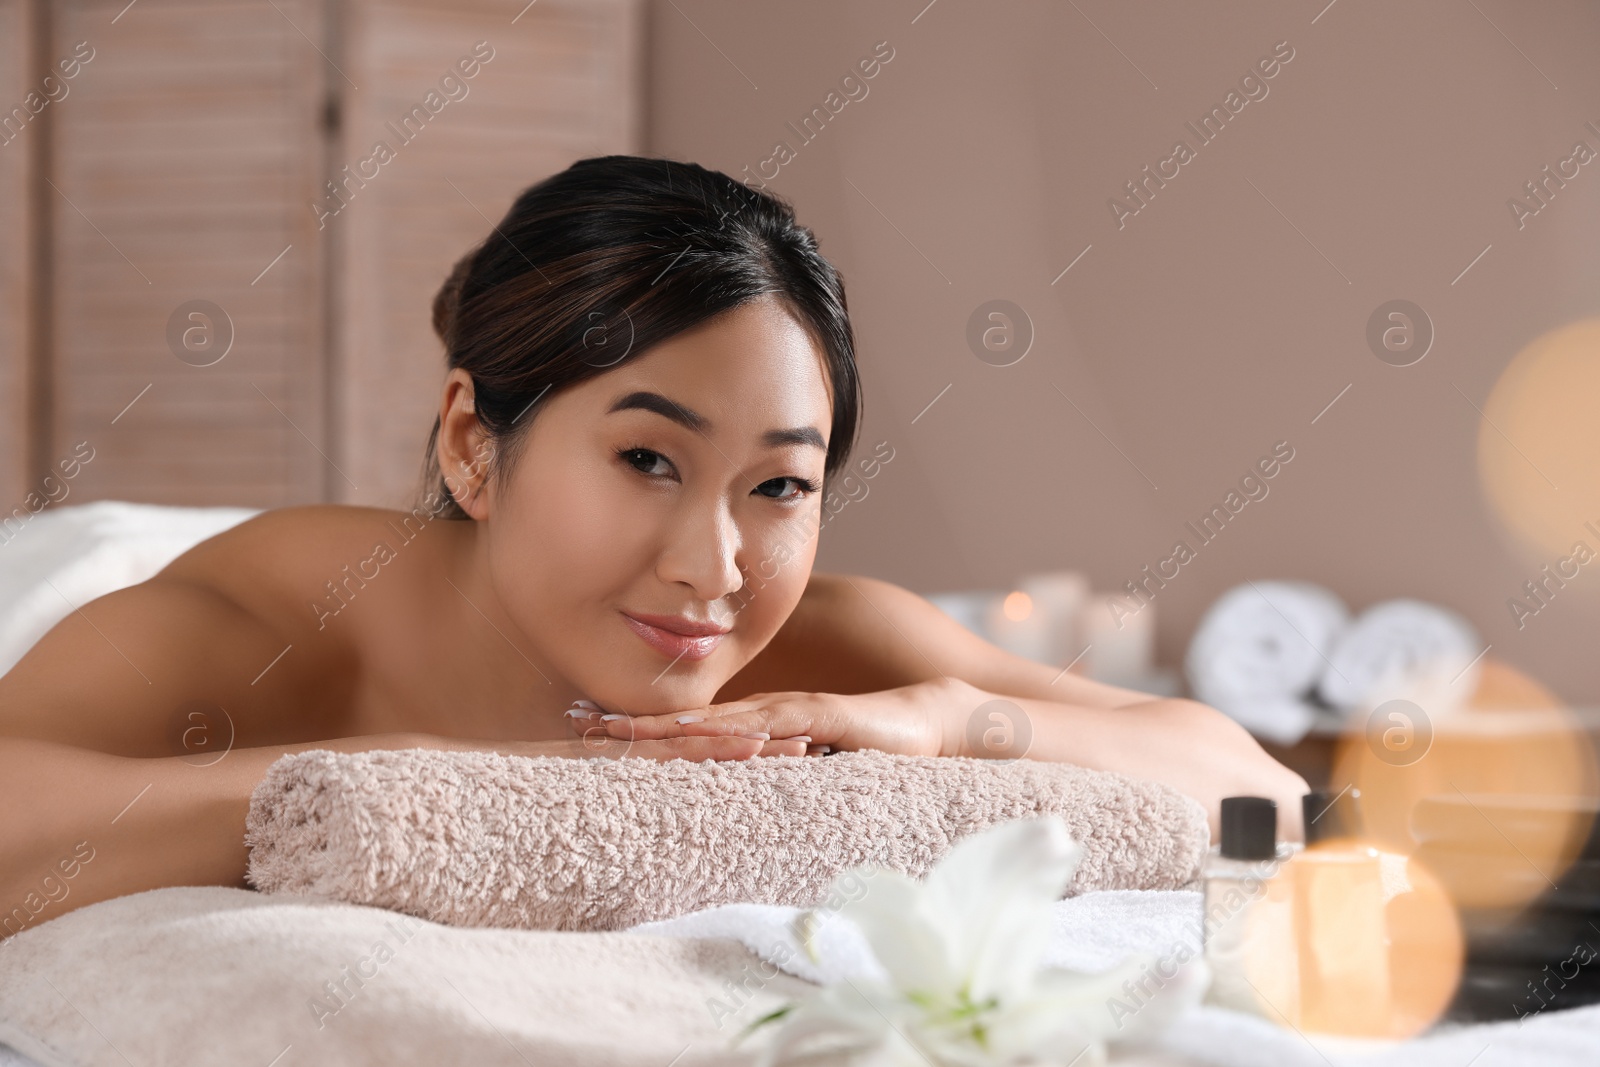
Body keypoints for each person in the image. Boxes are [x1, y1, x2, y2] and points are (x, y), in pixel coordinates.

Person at [0, 156, 1306, 937]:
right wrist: (452, 778)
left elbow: (1259, 790)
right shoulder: (264, 622)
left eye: (779, 486)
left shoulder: (829, 652)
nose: (715, 567)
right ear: (472, 444)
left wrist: (950, 720)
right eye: (646, 460)